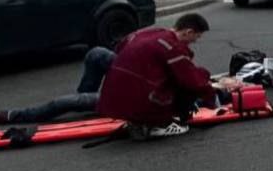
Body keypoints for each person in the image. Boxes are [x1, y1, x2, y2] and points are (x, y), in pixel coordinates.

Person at [96, 13, 236, 138]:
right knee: (188, 82)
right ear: (189, 32)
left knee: (171, 75)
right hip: (139, 101)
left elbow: (120, 48)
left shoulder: (148, 33)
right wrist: (212, 100)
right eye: (196, 37)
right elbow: (192, 81)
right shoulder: (172, 47)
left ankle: (138, 121)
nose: (194, 42)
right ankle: (159, 125)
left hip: (110, 96)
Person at [0, 47, 118, 127]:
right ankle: (85, 100)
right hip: (129, 70)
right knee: (96, 54)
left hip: (129, 91)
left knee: (61, 103)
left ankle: (7, 115)